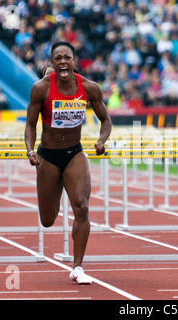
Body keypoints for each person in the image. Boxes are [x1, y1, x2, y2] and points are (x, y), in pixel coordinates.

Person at [24, 41, 112, 284]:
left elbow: (105, 120)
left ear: (75, 60)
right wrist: (30, 151)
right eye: (58, 58)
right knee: (47, 220)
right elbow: (30, 124)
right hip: (48, 157)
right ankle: (53, 193)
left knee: (81, 207)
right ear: (53, 63)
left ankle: (77, 267)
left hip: (74, 153)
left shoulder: (89, 88)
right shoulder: (41, 88)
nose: (63, 61)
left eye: (67, 57)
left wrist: (101, 140)